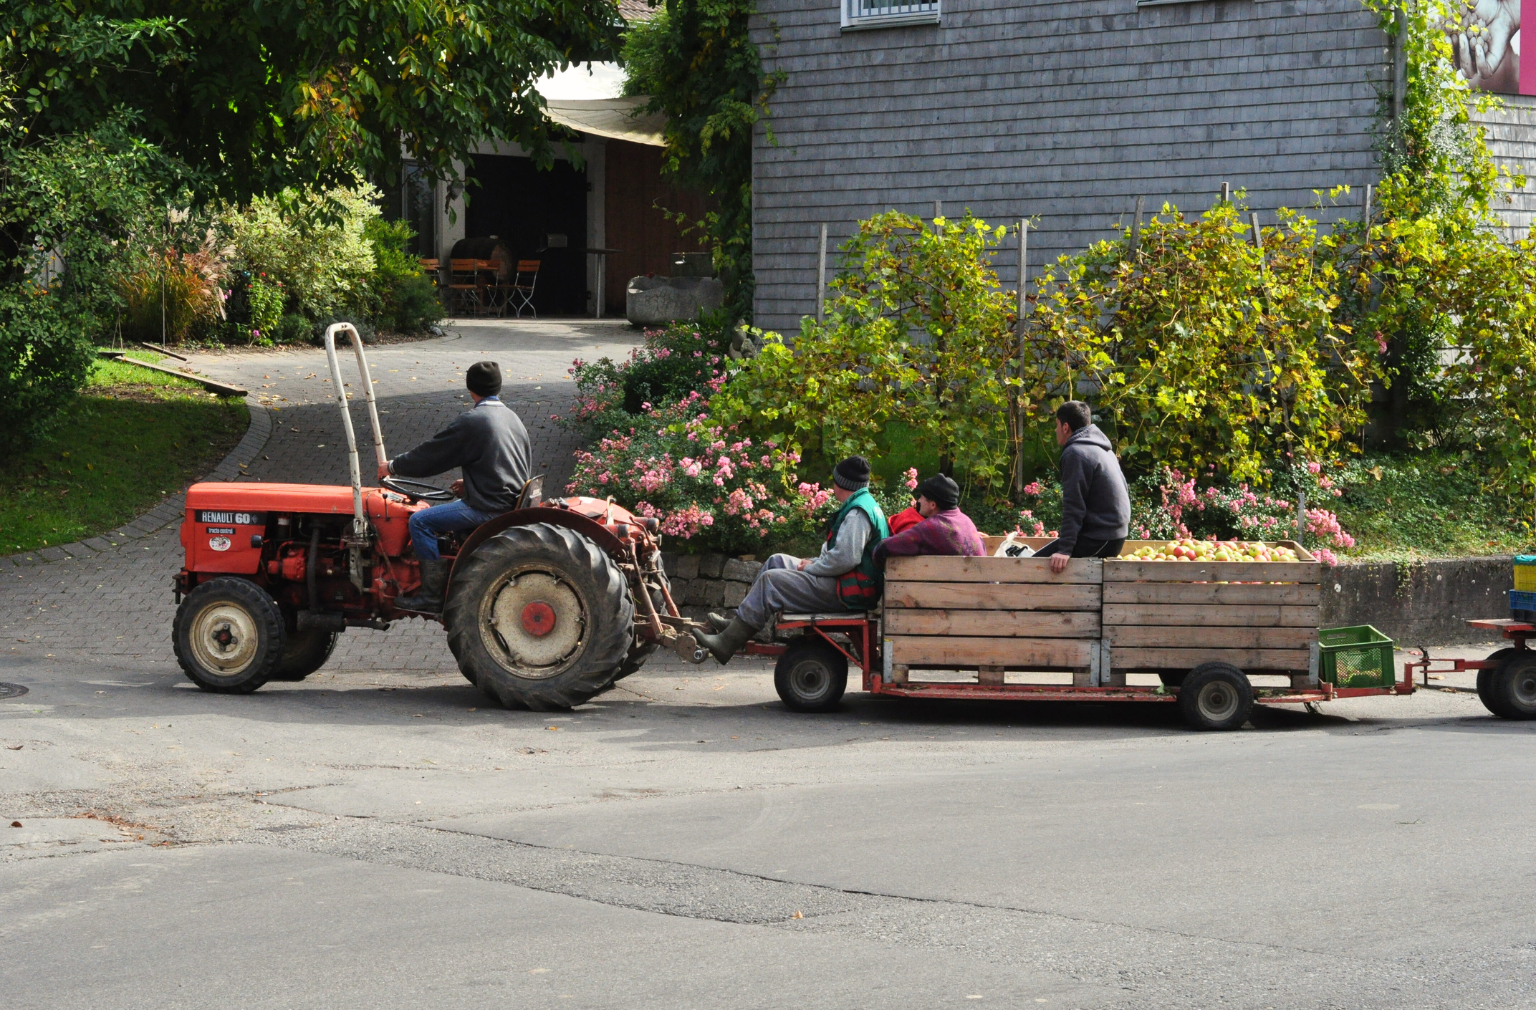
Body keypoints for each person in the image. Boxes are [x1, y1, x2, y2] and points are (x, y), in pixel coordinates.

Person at [694, 456, 891, 663]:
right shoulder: (862, 504)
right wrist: (814, 563)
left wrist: (811, 568)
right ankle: (736, 625)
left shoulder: (858, 513)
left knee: (771, 580)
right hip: (846, 583)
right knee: (776, 561)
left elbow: (845, 559)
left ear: (842, 484)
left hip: (849, 592)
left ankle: (726, 644)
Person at [378, 360, 531, 612]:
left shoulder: (473, 421)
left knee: (421, 522)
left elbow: (432, 455)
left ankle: (430, 596)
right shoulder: (511, 417)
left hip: (489, 506)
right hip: (507, 499)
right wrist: (471, 480)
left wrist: (393, 467)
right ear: (498, 387)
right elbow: (504, 461)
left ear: (470, 388)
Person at [1034, 401, 1130, 573]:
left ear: (1065, 427)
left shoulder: (1076, 453)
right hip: (1112, 534)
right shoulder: (1102, 449)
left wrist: (1064, 551)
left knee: (1032, 569)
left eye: (1057, 425)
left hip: (1101, 538)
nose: (1055, 430)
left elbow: (1074, 505)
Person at [872, 474, 984, 564]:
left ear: (932, 505)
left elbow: (882, 548)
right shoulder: (966, 521)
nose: (919, 501)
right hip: (980, 589)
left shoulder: (932, 527)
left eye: (922, 497)